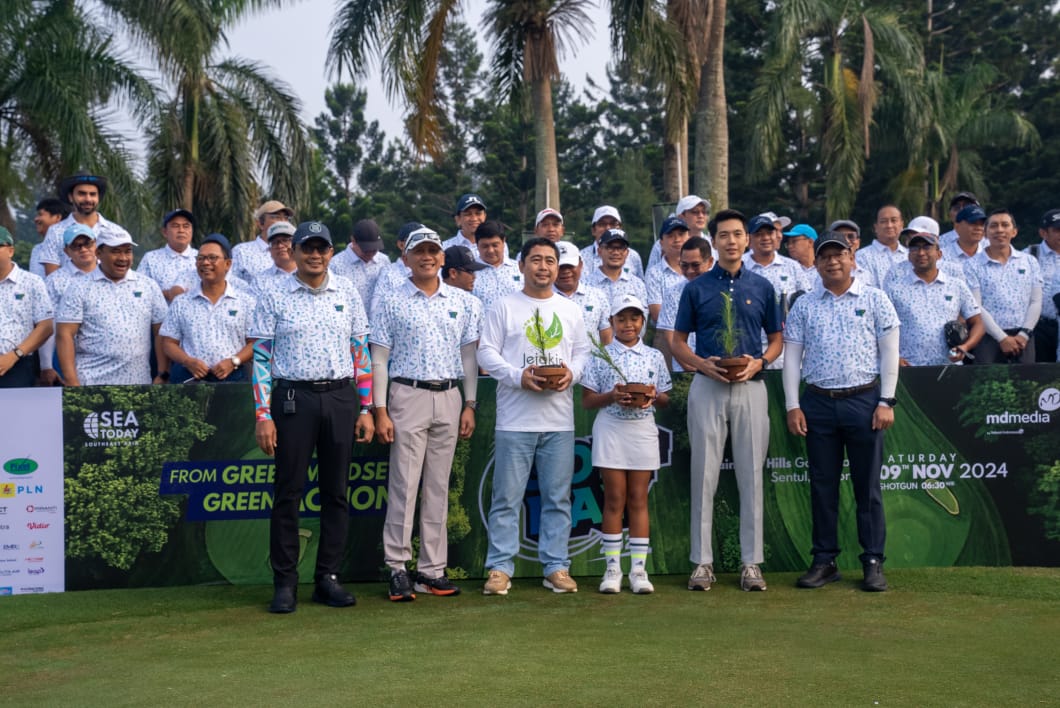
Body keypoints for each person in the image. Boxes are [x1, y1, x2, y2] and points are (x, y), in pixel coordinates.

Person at [249, 220, 374, 614]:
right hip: (292, 399)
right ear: (294, 251)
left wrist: (367, 407)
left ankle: (327, 578)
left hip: (340, 397)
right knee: (288, 493)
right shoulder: (274, 294)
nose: (315, 254)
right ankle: (285, 582)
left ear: (331, 252)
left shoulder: (347, 292)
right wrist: (263, 414)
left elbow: (361, 355)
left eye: (322, 248)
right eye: (308, 247)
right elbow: (262, 359)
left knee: (336, 493)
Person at [671, 209, 782, 593]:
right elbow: (678, 341)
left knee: (751, 474)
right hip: (708, 384)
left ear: (747, 240)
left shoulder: (763, 287)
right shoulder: (696, 288)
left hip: (752, 385)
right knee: (704, 474)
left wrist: (761, 362)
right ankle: (702, 563)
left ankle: (751, 564)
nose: (731, 241)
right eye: (724, 235)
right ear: (713, 241)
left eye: (738, 234)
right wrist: (702, 363)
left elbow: (776, 339)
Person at [783, 231, 900, 592]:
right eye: (825, 257)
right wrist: (793, 405)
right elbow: (792, 357)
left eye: (839, 255)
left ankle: (873, 560)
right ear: (816, 264)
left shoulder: (875, 299)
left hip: (864, 401)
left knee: (867, 488)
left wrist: (886, 400)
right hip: (818, 401)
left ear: (852, 259)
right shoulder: (805, 304)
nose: (832, 261)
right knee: (822, 486)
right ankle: (824, 560)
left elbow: (889, 352)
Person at [370, 228, 483, 602]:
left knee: (437, 486)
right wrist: (380, 409)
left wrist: (470, 403)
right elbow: (379, 359)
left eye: (433, 250)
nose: (427, 257)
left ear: (442, 257)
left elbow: (469, 359)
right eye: (420, 251)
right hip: (407, 393)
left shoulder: (465, 302)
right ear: (406, 257)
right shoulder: (389, 299)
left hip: (449, 395)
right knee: (404, 483)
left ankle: (432, 570)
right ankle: (397, 567)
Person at [477, 237, 591, 595]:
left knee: (558, 498)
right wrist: (517, 376)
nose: (544, 267)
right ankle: (499, 568)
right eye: (536, 260)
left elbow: (583, 352)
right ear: (522, 265)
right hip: (515, 420)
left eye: (550, 261)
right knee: (506, 498)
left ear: (558, 267)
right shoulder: (504, 307)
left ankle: (556, 566)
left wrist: (572, 373)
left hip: (558, 420)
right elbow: (485, 353)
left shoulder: (570, 310)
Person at [581, 293, 671, 594]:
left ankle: (638, 571)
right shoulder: (600, 354)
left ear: (643, 321)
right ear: (612, 322)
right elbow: (588, 401)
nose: (628, 324)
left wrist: (653, 396)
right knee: (614, 500)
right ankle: (612, 570)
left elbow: (666, 399)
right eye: (621, 318)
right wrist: (612, 396)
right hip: (611, 429)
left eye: (634, 318)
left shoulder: (654, 357)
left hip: (643, 430)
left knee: (638, 500)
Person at [55, 230, 169, 386]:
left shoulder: (148, 285)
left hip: (138, 383)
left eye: (127, 251)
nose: (123, 258)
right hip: (90, 383)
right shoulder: (79, 287)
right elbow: (64, 334)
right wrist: (72, 381)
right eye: (115, 252)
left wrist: (162, 373)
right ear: (99, 253)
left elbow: (161, 332)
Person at [160, 234, 254, 383]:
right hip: (190, 378)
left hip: (233, 379)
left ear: (228, 264)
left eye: (212, 258)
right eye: (200, 258)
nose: (205, 263)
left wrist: (233, 361)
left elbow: (255, 342)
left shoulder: (245, 302)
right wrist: (187, 361)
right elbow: (168, 343)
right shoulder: (182, 303)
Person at [883, 230, 984, 366]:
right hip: (909, 366)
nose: (921, 253)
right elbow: (881, 327)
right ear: (908, 256)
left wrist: (965, 347)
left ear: (939, 254)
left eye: (927, 247)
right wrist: (894, 358)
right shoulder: (894, 288)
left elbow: (978, 323)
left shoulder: (956, 286)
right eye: (914, 248)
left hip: (949, 367)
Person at [965, 209, 1043, 364]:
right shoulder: (971, 265)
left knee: (1025, 385)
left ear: (1014, 232)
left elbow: (1036, 301)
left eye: (1005, 225)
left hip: (1023, 337)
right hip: (988, 338)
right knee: (987, 385)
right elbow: (976, 306)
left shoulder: (1029, 261)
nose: (999, 230)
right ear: (985, 233)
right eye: (993, 226)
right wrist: (1002, 338)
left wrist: (1024, 334)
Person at [743, 214, 808, 369]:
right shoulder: (740, 266)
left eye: (769, 233)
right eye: (759, 234)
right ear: (748, 239)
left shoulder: (792, 266)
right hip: (750, 346)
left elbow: (806, 301)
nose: (765, 238)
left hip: (788, 344)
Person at [38, 172, 132, 276]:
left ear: (98, 198)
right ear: (70, 197)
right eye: (82, 194)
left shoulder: (115, 231)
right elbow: (52, 276)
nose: (88, 199)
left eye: (92, 194)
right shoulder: (56, 232)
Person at [40, 224, 99, 383]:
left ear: (95, 245)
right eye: (76, 245)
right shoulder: (54, 281)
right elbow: (48, 324)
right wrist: (46, 365)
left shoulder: (110, 274)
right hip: (66, 355)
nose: (83, 249)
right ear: (66, 251)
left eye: (87, 243)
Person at [0, 226, 53, 388]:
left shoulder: (31, 282)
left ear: (10, 251)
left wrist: (14, 355)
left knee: (14, 413)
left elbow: (45, 326)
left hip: (18, 364)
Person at [656, 236, 714, 370]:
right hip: (685, 369)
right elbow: (671, 339)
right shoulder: (672, 294)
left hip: (717, 366)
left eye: (695, 265)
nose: (689, 271)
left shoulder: (722, 291)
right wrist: (690, 368)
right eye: (684, 265)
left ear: (710, 262)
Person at [553, 241, 612, 345]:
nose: (566, 271)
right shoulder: (540, 298)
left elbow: (606, 339)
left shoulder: (597, 297)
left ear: (580, 265)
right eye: (560, 267)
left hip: (591, 360)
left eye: (570, 266)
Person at [137, 209, 198, 302]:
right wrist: (167, 294)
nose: (181, 230)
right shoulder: (151, 259)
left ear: (192, 231)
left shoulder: (202, 258)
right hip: (161, 316)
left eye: (186, 226)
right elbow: (137, 292)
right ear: (165, 232)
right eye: (175, 226)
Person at [231, 200, 294, 283]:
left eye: (286, 218)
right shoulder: (241, 252)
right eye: (276, 217)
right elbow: (232, 283)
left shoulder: (295, 250)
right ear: (260, 224)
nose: (282, 222)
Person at [330, 219, 390, 304]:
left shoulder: (384, 261)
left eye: (374, 249)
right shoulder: (335, 265)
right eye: (366, 249)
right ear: (353, 241)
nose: (370, 253)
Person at [583, 228, 649, 305]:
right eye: (610, 247)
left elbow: (642, 315)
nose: (616, 252)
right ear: (599, 251)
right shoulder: (586, 284)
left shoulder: (638, 285)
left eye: (621, 248)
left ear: (627, 253)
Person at [1027, 209, 1060, 363]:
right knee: (1041, 374)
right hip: (1039, 326)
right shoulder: (1030, 255)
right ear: (1043, 233)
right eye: (1057, 230)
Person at [648, 195, 710, 270]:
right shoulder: (661, 245)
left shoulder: (710, 242)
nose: (701, 216)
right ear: (681, 217)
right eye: (695, 212)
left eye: (704, 212)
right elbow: (651, 274)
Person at [470, 220, 521, 310]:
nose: (490, 250)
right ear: (477, 245)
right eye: (485, 246)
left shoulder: (520, 269)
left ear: (503, 242)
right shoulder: (469, 273)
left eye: (495, 245)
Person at [580, 206, 644, 278]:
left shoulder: (633, 256)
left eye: (613, 224)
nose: (608, 228)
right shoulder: (581, 257)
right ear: (593, 230)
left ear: (620, 228)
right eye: (602, 224)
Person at [857, 205, 908, 286]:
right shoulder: (862, 256)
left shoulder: (909, 255)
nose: (889, 225)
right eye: (883, 221)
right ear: (875, 227)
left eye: (894, 220)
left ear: (901, 225)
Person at [252, 222, 299, 295]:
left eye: (285, 240)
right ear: (269, 249)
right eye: (275, 242)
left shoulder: (310, 274)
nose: (280, 246)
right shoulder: (260, 281)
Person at [29, 198, 69, 278]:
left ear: (57, 217)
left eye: (40, 214)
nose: (36, 219)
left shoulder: (69, 245)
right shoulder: (37, 249)